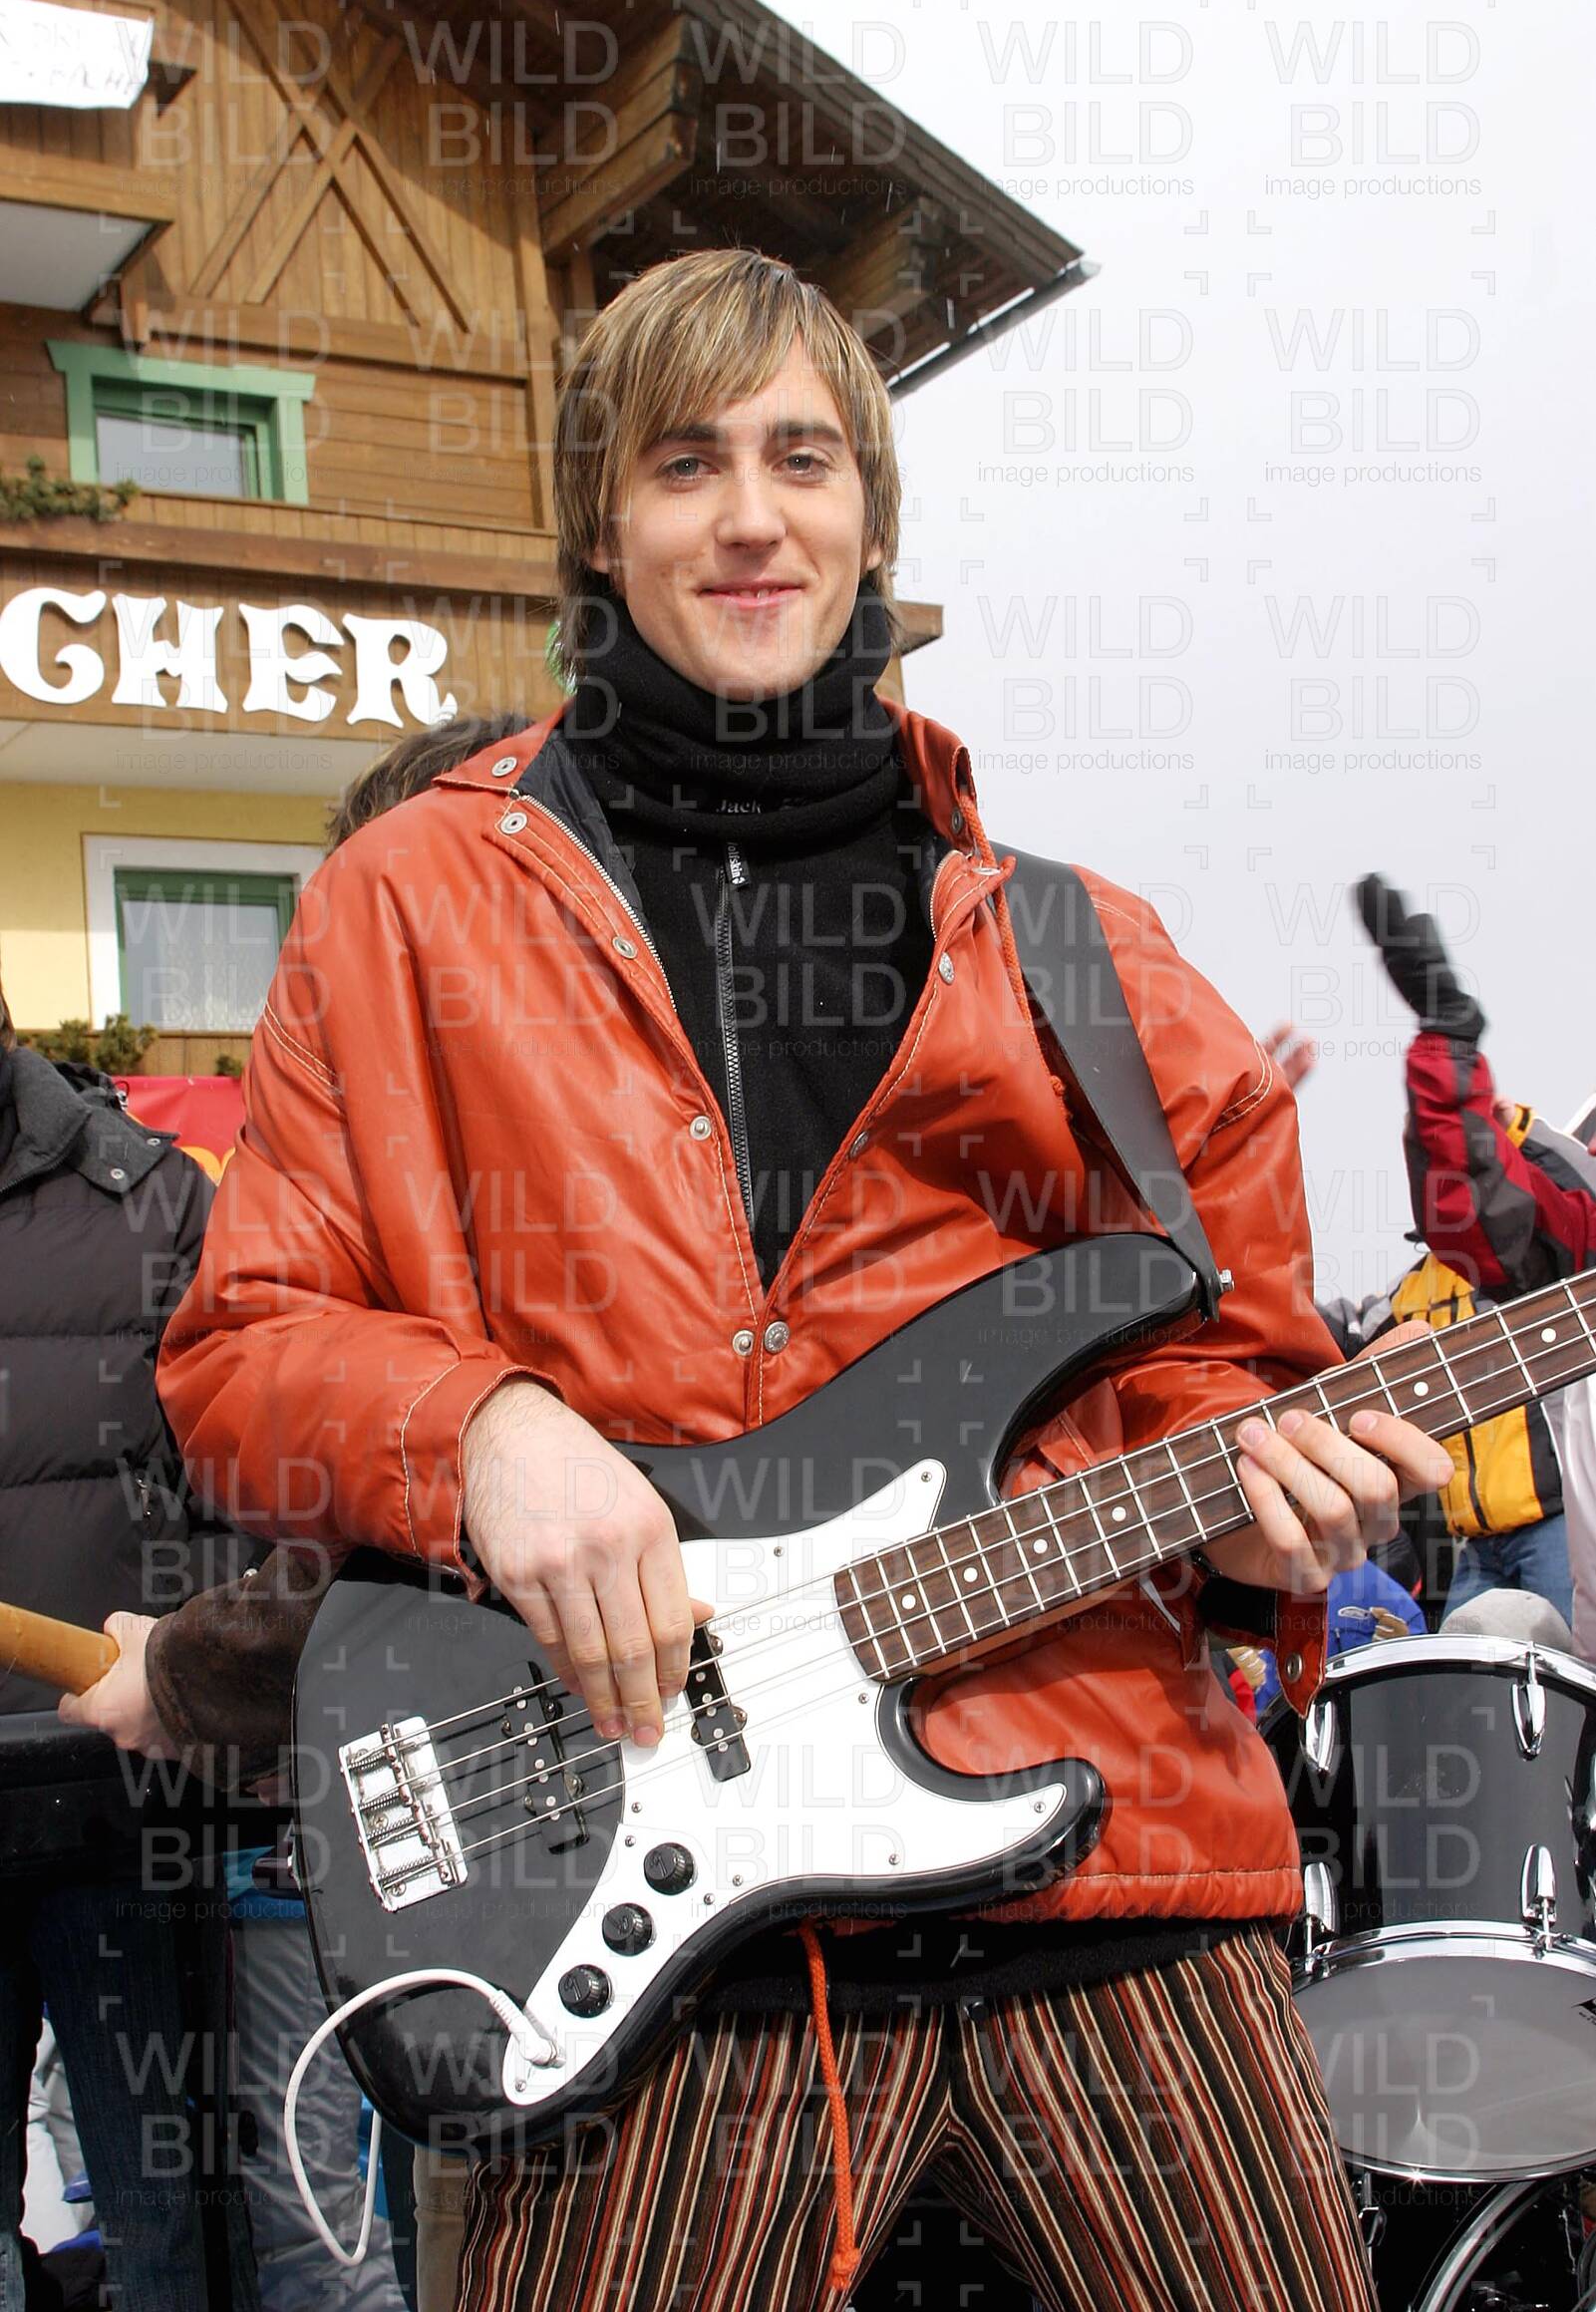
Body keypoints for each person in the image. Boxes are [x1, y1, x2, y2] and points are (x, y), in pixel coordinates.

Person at [155, 248, 1454, 2312]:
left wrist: (1264, 1512)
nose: (750, 517)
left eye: (801, 459)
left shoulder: (1085, 951)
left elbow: (1232, 1368)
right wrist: (480, 1432)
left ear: (869, 517)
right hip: (642, 1917)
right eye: (685, 465)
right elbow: (242, 1350)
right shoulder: (404, 906)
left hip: (1111, 1874)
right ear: (598, 523)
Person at [56, 709, 532, 2312]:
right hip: (363, 1815)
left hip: (560, 1837)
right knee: (355, 2224)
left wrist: (188, 1670)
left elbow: (423, 1559)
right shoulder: (350, 1185)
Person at [0, 978, 259, 2310]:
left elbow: (246, 1485)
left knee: (174, 2220)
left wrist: (179, 1672)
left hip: (124, 1802)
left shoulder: (151, 1199)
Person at [1348, 875, 1591, 1628]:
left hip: (1546, 1524)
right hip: (1476, 1538)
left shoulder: (1532, 1269)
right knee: (1459, 1670)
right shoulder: (1414, 1294)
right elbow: (1484, 1203)